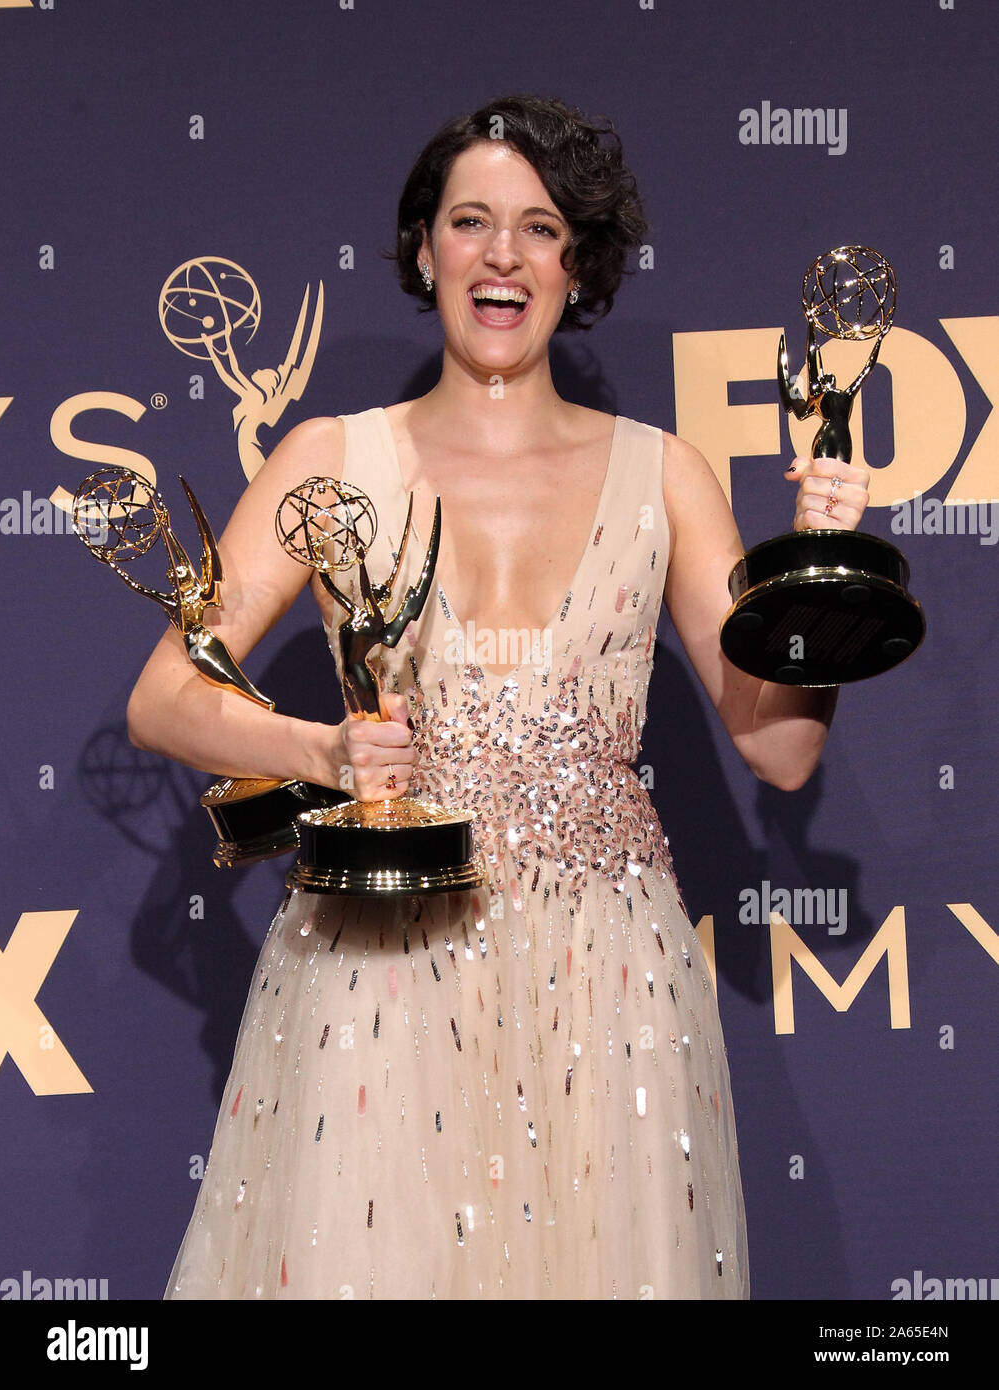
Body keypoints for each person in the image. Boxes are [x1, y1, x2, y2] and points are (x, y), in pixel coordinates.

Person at [128, 95, 869, 1300]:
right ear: (426, 250)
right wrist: (323, 745)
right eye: (471, 221)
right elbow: (166, 698)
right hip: (381, 955)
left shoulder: (664, 475)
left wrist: (818, 580)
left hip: (613, 983)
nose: (504, 255)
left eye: (539, 226)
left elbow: (777, 750)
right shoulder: (329, 455)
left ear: (579, 261)